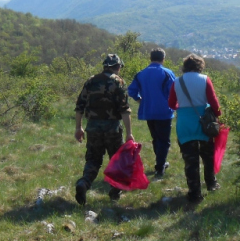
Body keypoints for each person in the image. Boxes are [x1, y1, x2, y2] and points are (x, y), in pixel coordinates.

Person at [74, 54, 135, 205]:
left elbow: (79, 106)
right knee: (117, 160)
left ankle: (84, 182)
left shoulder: (91, 81)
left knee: (93, 159)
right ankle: (115, 191)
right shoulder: (118, 82)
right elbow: (124, 110)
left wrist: (78, 127)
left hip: (93, 127)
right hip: (112, 127)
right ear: (117, 67)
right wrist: (129, 133)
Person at [168, 54, 222, 203]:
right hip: (204, 123)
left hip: (185, 124)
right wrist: (218, 116)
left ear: (185, 66)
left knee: (190, 161)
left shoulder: (177, 81)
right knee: (208, 156)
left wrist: (182, 107)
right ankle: (211, 183)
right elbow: (214, 102)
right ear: (200, 66)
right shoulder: (205, 79)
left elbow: (171, 103)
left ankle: (194, 193)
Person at [127, 48, 176, 177]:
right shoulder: (167, 73)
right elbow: (174, 91)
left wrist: (140, 100)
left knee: (156, 138)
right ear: (163, 59)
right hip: (164, 111)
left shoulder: (141, 74)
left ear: (150, 58)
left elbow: (131, 91)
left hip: (148, 110)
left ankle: (160, 162)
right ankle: (160, 166)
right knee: (164, 140)